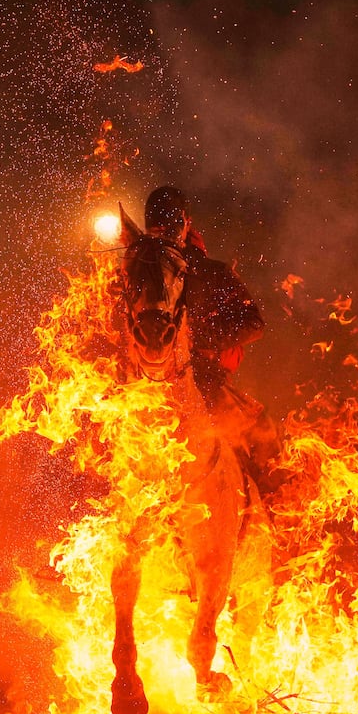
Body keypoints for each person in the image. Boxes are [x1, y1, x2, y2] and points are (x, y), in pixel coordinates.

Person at [141, 185, 281, 491]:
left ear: (185, 223)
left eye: (169, 224)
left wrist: (201, 337)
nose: (164, 232)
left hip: (207, 379)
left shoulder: (212, 273)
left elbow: (253, 323)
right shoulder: (144, 269)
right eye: (157, 226)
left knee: (263, 438)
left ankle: (279, 517)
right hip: (147, 379)